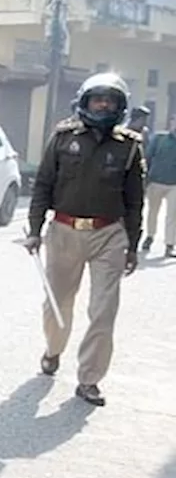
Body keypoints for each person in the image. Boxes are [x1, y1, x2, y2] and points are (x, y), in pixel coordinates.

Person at [25, 72, 145, 406]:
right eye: (97, 99)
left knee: (104, 311)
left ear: (120, 106)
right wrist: (34, 230)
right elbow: (43, 186)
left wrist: (132, 245)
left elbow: (135, 200)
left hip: (109, 235)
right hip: (63, 231)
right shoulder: (63, 139)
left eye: (110, 100)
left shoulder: (130, 147)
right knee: (57, 304)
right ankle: (53, 350)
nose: (103, 104)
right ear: (85, 102)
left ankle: (89, 379)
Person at [142, 114, 176, 257]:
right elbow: (148, 157)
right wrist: (145, 178)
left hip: (174, 184)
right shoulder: (159, 138)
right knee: (152, 212)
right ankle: (150, 236)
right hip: (155, 181)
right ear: (172, 123)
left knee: (172, 215)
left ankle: (169, 244)